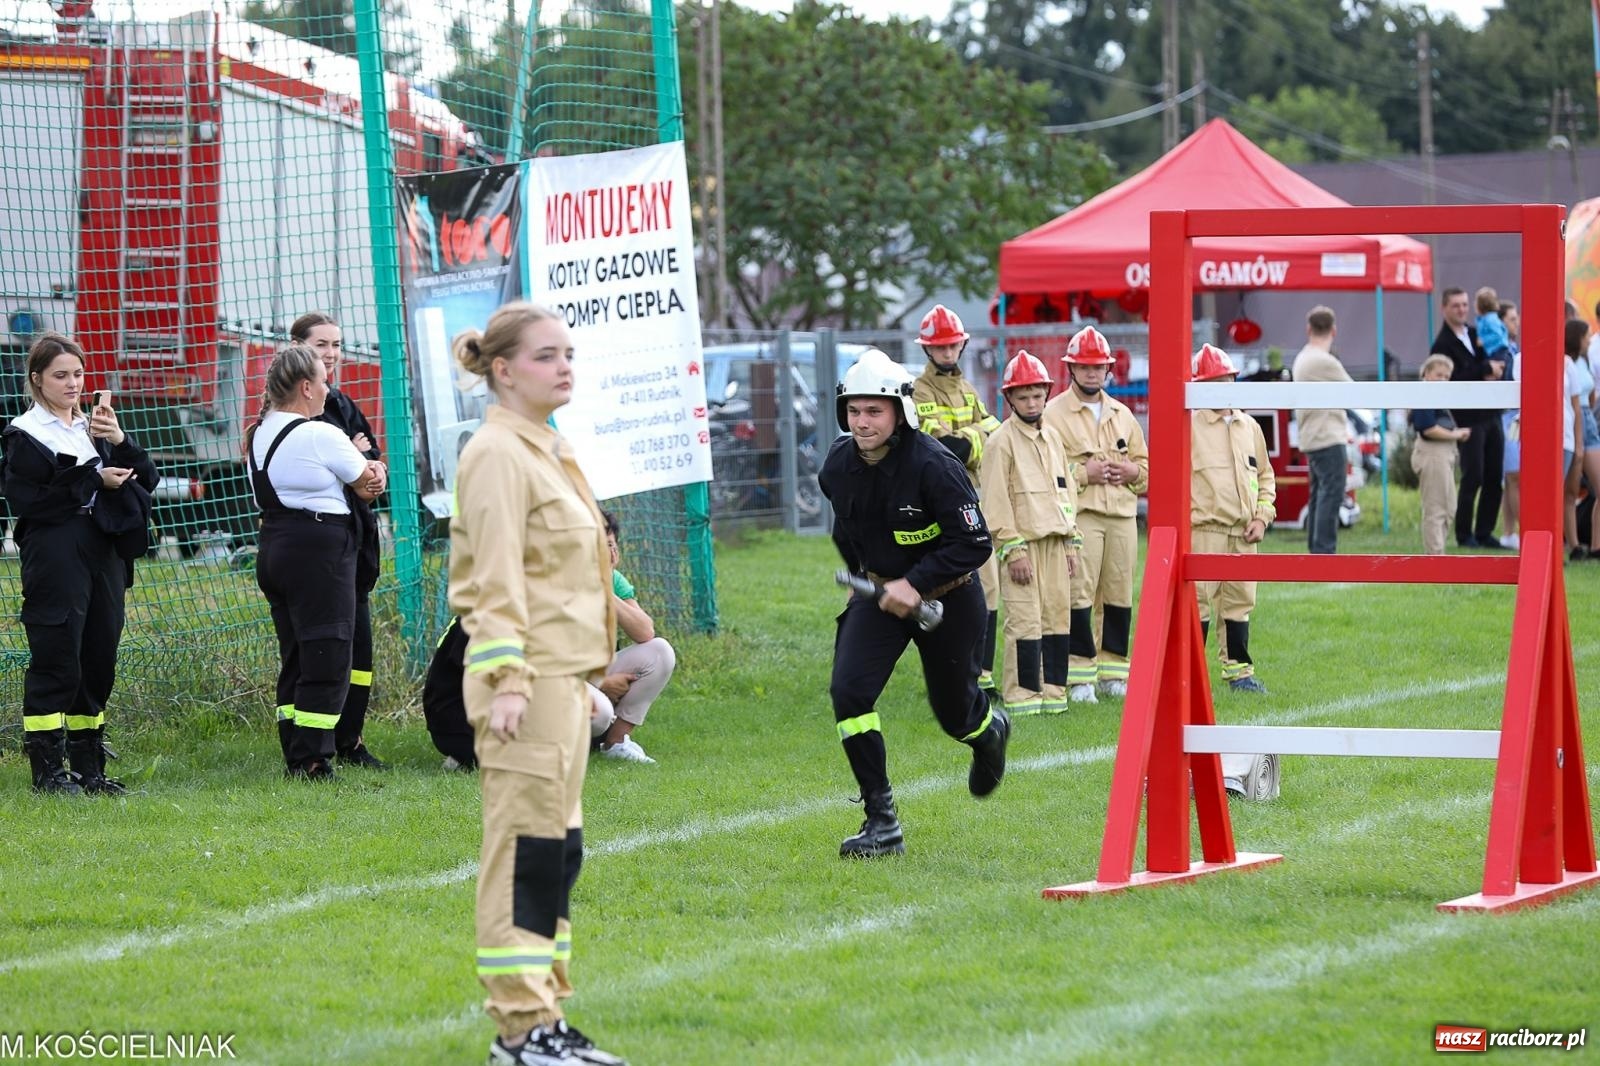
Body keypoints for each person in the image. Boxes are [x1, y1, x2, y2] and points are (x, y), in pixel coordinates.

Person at [447, 302, 627, 1066]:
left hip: (559, 682)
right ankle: (519, 1030)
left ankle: (548, 1018)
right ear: (503, 369)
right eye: (547, 355)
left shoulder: (548, 447)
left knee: (558, 850)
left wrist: (581, 678)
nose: (565, 367)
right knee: (524, 851)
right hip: (523, 683)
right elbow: (492, 582)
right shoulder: (495, 453)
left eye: (569, 353)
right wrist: (511, 679)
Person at [820, 349, 1010, 859]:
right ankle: (882, 823)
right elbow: (846, 525)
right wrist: (865, 578)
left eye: (874, 411)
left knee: (954, 715)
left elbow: (974, 544)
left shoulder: (935, 466)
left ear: (899, 410)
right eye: (854, 411)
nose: (863, 423)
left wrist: (916, 584)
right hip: (878, 596)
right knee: (849, 692)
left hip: (949, 599)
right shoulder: (837, 466)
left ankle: (988, 730)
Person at [1, 332, 158, 794]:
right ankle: (48, 771)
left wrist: (120, 440)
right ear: (37, 380)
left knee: (98, 658)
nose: (73, 384)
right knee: (57, 658)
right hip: (56, 553)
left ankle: (90, 769)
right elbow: (29, 499)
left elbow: (146, 479)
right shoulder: (25, 432)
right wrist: (94, 480)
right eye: (61, 376)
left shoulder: (95, 428)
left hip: (103, 552)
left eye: (78, 374)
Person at [248, 345, 387, 779]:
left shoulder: (257, 432)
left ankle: (296, 747)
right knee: (328, 651)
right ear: (306, 388)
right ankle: (312, 759)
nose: (329, 386)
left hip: (274, 546)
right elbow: (366, 484)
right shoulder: (320, 433)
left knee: (295, 654)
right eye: (323, 379)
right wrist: (376, 471)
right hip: (319, 553)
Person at [291, 311, 386, 769]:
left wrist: (372, 467)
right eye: (321, 345)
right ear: (296, 351)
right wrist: (357, 463)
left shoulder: (343, 402)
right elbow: (346, 468)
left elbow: (371, 462)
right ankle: (308, 749)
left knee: (359, 649)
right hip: (317, 548)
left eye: (337, 344)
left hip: (356, 540)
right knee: (314, 650)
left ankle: (351, 740)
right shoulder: (287, 415)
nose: (331, 354)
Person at [1041, 325, 1147, 703]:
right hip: (1081, 516)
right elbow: (1045, 469)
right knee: (1079, 594)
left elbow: (1146, 468)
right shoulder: (1053, 415)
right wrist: (1084, 474)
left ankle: (1114, 672)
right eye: (1084, 367)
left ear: (1108, 370)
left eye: (1097, 367)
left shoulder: (1123, 415)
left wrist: (1132, 472)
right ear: (1071, 369)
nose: (1091, 373)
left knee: (1119, 595)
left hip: (1121, 516)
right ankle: (1080, 675)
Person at [978, 350, 1079, 716]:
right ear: (1009, 399)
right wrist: (1012, 549)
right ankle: (1022, 698)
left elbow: (1064, 491)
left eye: (1037, 395)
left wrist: (1071, 541)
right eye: (1023, 396)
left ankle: (1054, 695)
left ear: (1047, 394)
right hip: (1024, 546)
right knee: (1024, 621)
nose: (1031, 402)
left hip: (1056, 542)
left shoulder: (1052, 438)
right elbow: (995, 501)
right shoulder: (1000, 442)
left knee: (1056, 618)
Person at [911, 304, 1002, 695]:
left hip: (974, 497)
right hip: (943, 503)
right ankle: (958, 674)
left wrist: (972, 437)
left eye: (952, 346)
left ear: (962, 345)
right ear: (928, 350)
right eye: (940, 348)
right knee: (955, 590)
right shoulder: (919, 390)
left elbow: (995, 431)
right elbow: (945, 446)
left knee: (991, 588)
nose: (948, 353)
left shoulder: (967, 388)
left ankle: (983, 676)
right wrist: (976, 435)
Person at [1190, 344, 1275, 695]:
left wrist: (1262, 516)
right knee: (1196, 604)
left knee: (1239, 602)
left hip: (1243, 532)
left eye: (1226, 381)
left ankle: (1239, 673)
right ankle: (1190, 677)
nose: (1221, 388)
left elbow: (1265, 476)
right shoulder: (1188, 427)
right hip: (1203, 529)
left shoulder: (1249, 425)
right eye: (1213, 382)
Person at [590, 510, 676, 764]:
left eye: (610, 545)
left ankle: (615, 743)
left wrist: (606, 587)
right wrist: (600, 682)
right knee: (600, 713)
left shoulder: (614, 581)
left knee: (660, 651)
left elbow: (644, 631)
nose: (605, 552)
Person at [1431, 286, 1506, 549]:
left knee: (1494, 476)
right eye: (1455, 305)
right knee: (1472, 475)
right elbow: (1450, 380)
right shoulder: (1441, 344)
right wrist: (1484, 368)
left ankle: (1485, 532)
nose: (1462, 310)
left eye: (1464, 304)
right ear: (1444, 308)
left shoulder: (1478, 333)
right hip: (1468, 418)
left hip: (1492, 414)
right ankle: (1465, 534)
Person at [1291, 306, 1350, 555]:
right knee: (1332, 494)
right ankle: (1324, 553)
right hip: (1328, 436)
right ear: (1334, 330)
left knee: (1319, 495)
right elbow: (1353, 390)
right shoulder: (1324, 361)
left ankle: (1317, 552)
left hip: (1311, 436)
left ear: (1309, 329)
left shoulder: (1302, 357)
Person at [1409, 355, 1471, 556]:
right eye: (1439, 375)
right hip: (1432, 453)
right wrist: (1455, 434)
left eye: (1447, 376)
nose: (1443, 380)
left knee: (1449, 507)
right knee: (1436, 510)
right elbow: (1427, 428)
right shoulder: (1423, 394)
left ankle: (1439, 554)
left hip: (1444, 454)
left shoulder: (1438, 397)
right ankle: (1435, 558)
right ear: (1426, 374)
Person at [1563, 318, 1598, 562]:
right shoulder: (1566, 362)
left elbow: (1591, 390)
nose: (1589, 340)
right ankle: (1574, 545)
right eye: (1586, 336)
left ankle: (1596, 545)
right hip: (1574, 420)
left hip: (1587, 419)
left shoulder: (1585, 360)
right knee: (1570, 489)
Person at [1499, 301, 1522, 549]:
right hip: (1506, 417)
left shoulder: (1513, 348)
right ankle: (1522, 530)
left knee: (1511, 478)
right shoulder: (1501, 349)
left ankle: (1508, 531)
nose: (1516, 323)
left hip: (1514, 416)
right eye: (1512, 319)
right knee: (1514, 476)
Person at [1475, 287, 1510, 362]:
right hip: (1493, 351)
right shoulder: (1486, 319)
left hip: (1497, 352)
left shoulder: (1490, 319)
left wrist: (1483, 341)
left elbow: (1497, 334)